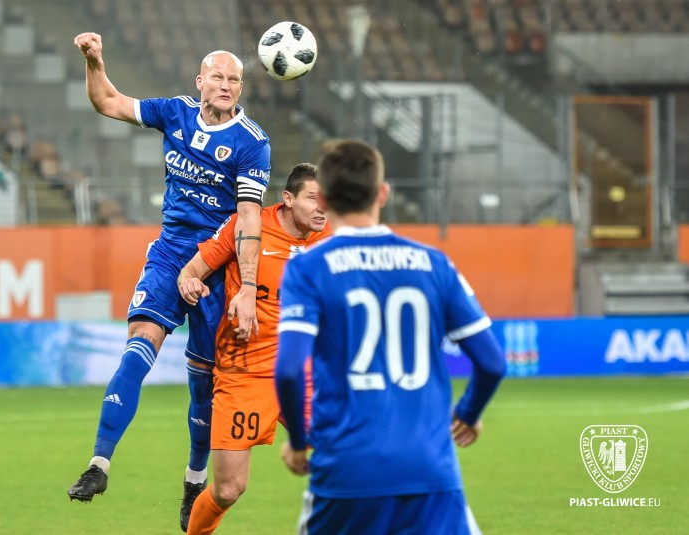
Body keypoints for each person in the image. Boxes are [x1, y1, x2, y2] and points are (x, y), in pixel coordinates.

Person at [66, 33, 271, 532]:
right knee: (139, 344)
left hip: (216, 267)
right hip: (169, 254)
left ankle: (194, 481)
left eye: (234, 79)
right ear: (200, 81)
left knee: (203, 385)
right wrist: (94, 60)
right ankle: (99, 464)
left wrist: (246, 286)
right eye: (218, 76)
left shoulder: (252, 142)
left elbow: (249, 219)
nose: (226, 85)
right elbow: (108, 101)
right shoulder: (174, 112)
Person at [274, 140, 507, 534]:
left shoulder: (308, 268)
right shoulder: (434, 263)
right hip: (429, 471)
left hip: (346, 471)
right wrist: (468, 414)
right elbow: (492, 363)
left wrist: (298, 441)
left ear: (324, 199)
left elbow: (290, 371)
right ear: (382, 194)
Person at [176, 164, 330, 534]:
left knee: (348, 462)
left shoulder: (335, 238)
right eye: (313, 198)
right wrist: (191, 285)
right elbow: (189, 273)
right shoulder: (248, 227)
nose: (322, 207)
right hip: (246, 371)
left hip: (307, 371)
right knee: (229, 488)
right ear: (288, 199)